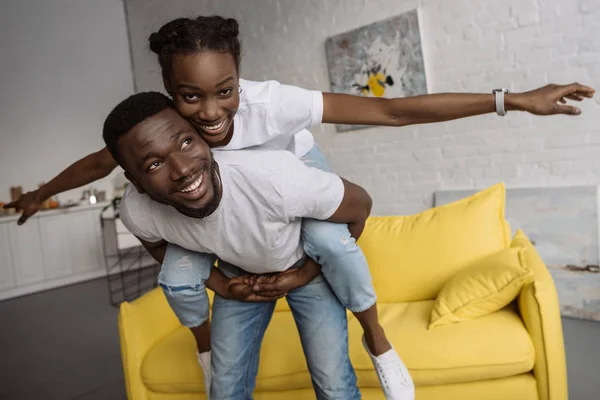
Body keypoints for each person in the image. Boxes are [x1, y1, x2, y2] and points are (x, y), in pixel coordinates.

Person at [4, 14, 595, 399]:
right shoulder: (167, 131)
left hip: (292, 182)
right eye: (191, 97)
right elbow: (102, 160)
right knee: (178, 272)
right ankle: (208, 349)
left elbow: (394, 111)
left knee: (333, 241)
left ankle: (379, 344)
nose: (210, 112)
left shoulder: (272, 105)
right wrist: (40, 193)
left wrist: (511, 99)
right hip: (223, 211)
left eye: (225, 90)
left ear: (240, 79)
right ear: (169, 90)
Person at [104, 90, 376, 399]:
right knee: (225, 387)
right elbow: (155, 245)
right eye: (154, 165)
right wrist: (221, 285)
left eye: (185, 142)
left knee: (333, 384)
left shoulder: (274, 177)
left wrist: (305, 274)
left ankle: (379, 346)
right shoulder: (138, 210)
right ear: (135, 182)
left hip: (303, 263)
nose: (182, 170)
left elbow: (360, 206)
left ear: (202, 136)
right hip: (239, 273)